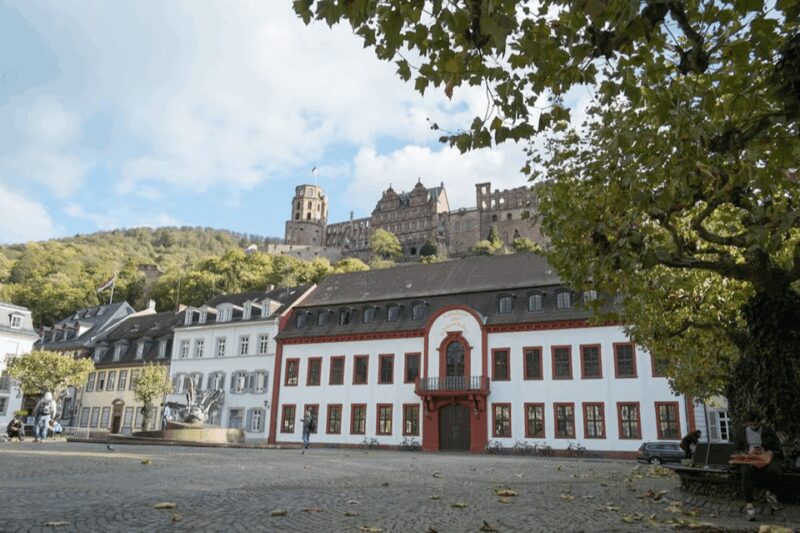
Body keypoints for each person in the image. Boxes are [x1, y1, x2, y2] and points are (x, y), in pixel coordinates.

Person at [732, 412, 783, 521]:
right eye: (751, 425)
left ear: (760, 422)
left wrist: (768, 451)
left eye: (756, 425)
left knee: (774, 469)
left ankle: (770, 494)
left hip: (765, 458)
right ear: (747, 424)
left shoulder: (768, 431)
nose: (754, 427)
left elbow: (778, 449)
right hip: (748, 458)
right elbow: (736, 451)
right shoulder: (741, 433)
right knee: (746, 472)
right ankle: (749, 505)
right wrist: (748, 451)